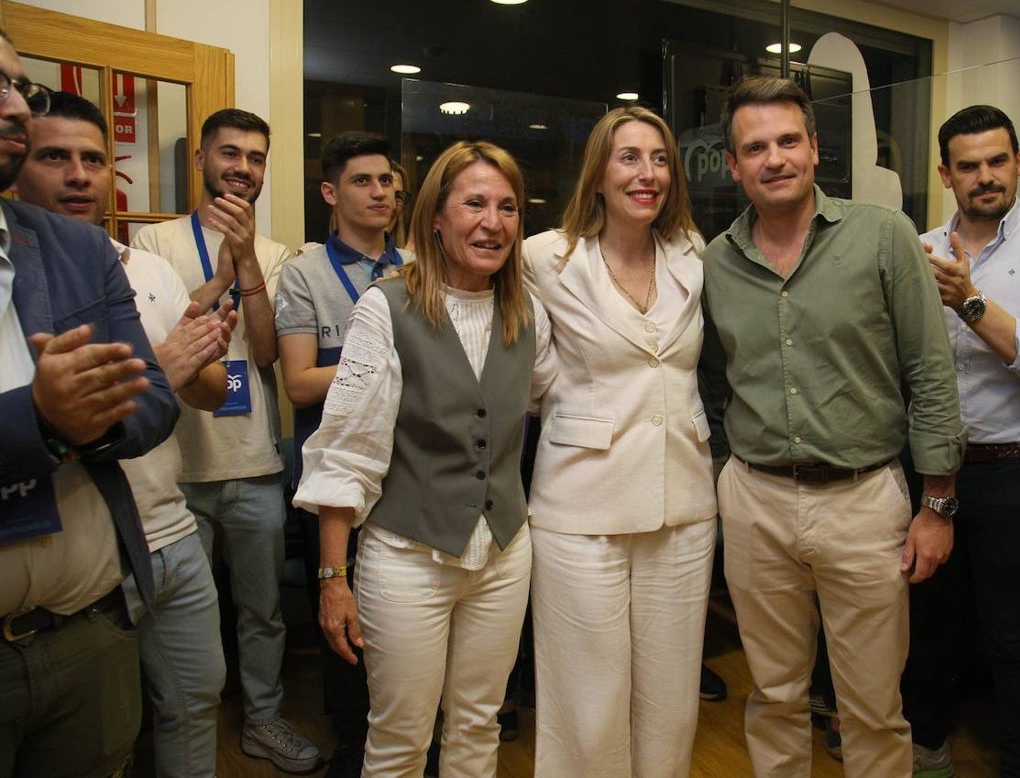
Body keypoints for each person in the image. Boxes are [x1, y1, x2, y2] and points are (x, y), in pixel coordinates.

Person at [700, 75, 965, 778]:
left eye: (789, 140)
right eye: (755, 147)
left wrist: (937, 503)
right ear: (733, 165)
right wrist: (727, 469)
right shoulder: (716, 263)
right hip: (754, 503)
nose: (774, 158)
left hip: (863, 500)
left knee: (874, 707)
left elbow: (931, 372)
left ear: (816, 149)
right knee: (776, 695)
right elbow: (707, 379)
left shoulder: (882, 236)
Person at [294, 140, 556, 778]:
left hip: (501, 554)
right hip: (407, 557)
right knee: (400, 740)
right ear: (435, 217)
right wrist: (333, 581)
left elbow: (543, 400)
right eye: (473, 204)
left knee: (477, 725)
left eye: (508, 208)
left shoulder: (530, 313)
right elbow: (347, 452)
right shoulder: (385, 307)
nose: (492, 222)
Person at [14, 90, 236, 778]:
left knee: (194, 697)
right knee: (116, 722)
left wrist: (188, 362)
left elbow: (216, 390)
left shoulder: (150, 271)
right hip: (91, 546)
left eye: (93, 159)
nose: (78, 175)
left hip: (170, 532)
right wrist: (159, 368)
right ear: (19, 164)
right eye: (55, 157)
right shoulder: (19, 278)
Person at [0, 29, 179, 778]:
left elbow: (155, 403)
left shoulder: (75, 249)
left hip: (89, 629)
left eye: (18, 88)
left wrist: (76, 426)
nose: (14, 105)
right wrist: (40, 420)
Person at [521, 106, 717, 777]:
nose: (648, 173)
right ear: (598, 173)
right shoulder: (544, 258)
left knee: (671, 700)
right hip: (581, 507)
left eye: (661, 158)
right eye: (629, 157)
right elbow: (526, 376)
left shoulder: (692, 253)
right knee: (587, 698)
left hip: (684, 504)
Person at [131, 109, 319, 772]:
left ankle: (263, 719)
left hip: (253, 463)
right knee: (177, 618)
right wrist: (218, 272)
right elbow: (159, 340)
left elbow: (265, 352)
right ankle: (181, 734)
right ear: (201, 160)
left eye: (257, 158)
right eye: (230, 153)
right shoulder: (151, 247)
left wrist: (246, 260)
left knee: (262, 611)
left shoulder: (278, 255)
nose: (243, 167)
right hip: (173, 470)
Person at [902, 105, 1020, 778]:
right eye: (970, 165)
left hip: (1017, 470)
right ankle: (927, 755)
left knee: (1014, 637)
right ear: (946, 173)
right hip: (929, 471)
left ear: (1018, 162)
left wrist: (970, 303)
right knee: (928, 628)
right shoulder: (917, 247)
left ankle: (1019, 766)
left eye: (997, 161)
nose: (986, 177)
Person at [276, 131, 410, 778]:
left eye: (387, 180)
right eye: (363, 181)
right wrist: (389, 361)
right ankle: (353, 748)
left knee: (403, 619)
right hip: (330, 475)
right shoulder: (303, 274)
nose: (380, 192)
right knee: (342, 619)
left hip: (407, 476)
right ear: (330, 192)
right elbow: (299, 382)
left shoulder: (420, 266)